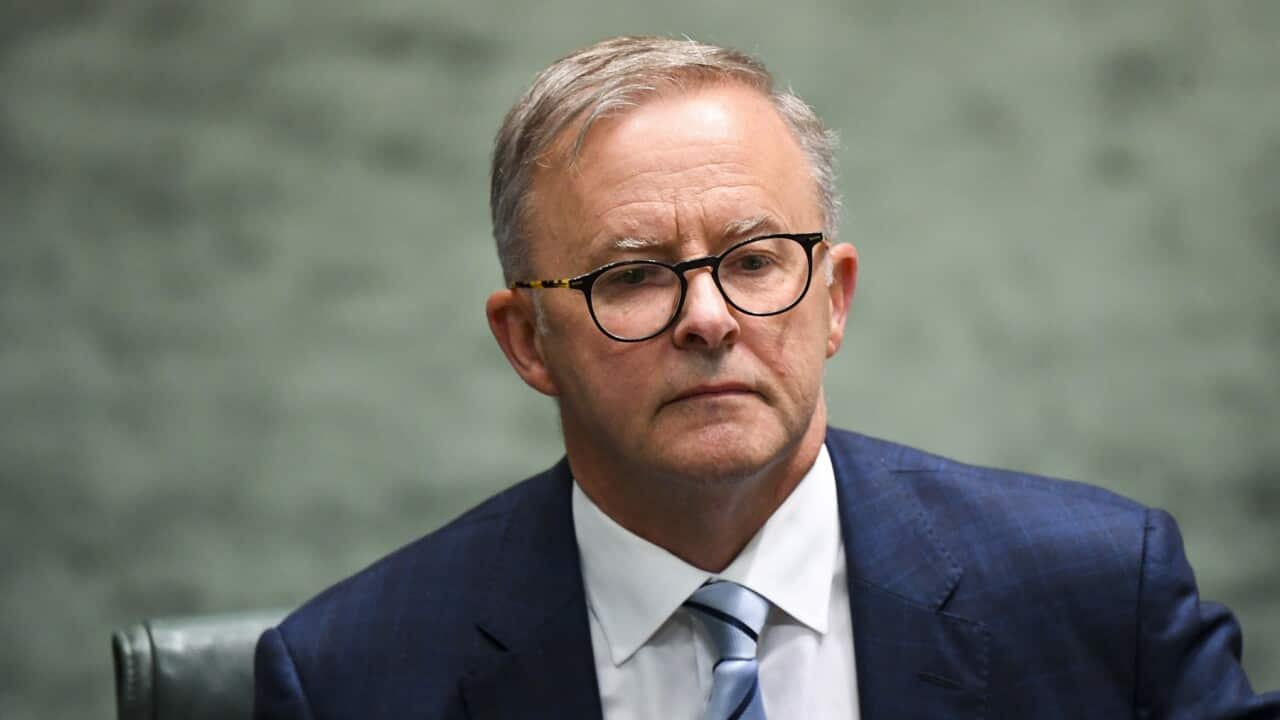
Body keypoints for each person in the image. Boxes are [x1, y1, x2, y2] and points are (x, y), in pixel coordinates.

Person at [253, 36, 1278, 719]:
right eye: (632, 276)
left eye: (753, 261)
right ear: (527, 341)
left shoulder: (1098, 595)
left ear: (832, 300)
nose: (707, 319)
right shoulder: (352, 678)